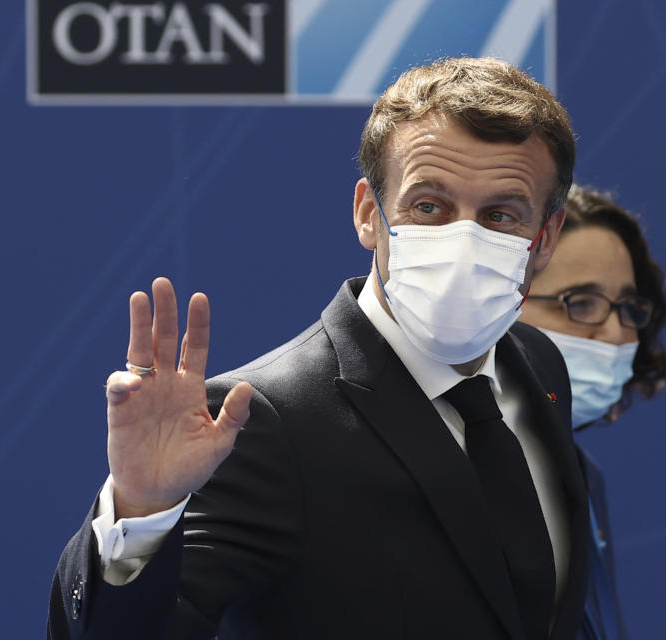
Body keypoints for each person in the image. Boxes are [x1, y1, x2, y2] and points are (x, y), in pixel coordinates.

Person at [48, 57, 592, 640]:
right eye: (428, 206)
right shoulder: (266, 418)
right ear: (368, 214)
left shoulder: (536, 362)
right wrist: (141, 513)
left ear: (547, 237)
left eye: (499, 215)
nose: (461, 240)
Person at [520, 185, 666, 640]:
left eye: (628, 309)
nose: (615, 333)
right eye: (580, 304)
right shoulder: (441, 467)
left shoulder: (584, 477)